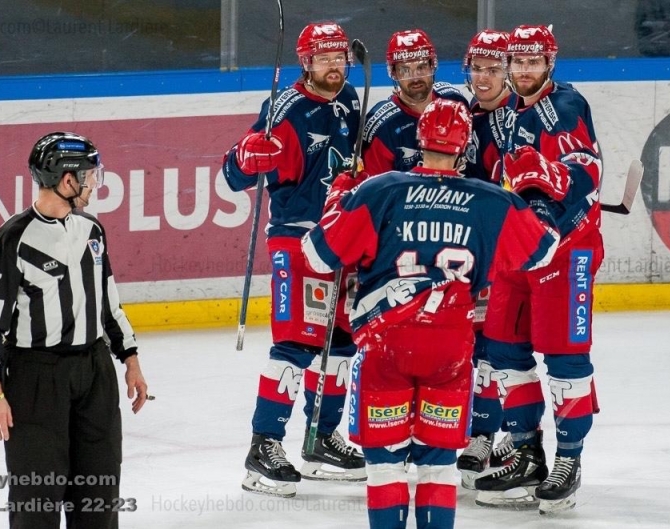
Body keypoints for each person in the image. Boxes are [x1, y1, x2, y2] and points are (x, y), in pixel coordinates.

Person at [301, 98, 560, 529]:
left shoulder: (380, 189)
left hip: (387, 346)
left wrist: (337, 198)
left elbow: (318, 255)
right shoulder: (491, 201)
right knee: (438, 466)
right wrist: (533, 194)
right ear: (465, 146)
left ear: (420, 139)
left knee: (384, 466)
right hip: (450, 351)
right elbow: (544, 250)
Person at [0, 132, 150, 529]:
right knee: (37, 501)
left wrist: (130, 360)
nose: (94, 183)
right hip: (37, 379)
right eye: (88, 175)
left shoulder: (93, 231)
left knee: (99, 498)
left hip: (95, 374)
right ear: (67, 180)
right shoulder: (14, 238)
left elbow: (109, 304)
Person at [221, 21, 366, 498]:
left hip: (341, 241)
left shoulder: (349, 101)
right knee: (296, 347)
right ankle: (263, 446)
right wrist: (247, 158)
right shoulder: (283, 107)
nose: (333, 66)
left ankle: (321, 438)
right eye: (323, 58)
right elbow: (231, 177)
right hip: (297, 241)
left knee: (341, 343)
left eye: (339, 56)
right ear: (305, 62)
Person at [472, 25, 604, 514]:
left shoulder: (564, 106)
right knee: (504, 348)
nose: (525, 71)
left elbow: (587, 174)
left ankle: (568, 458)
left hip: (565, 253)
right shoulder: (509, 110)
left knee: (566, 359)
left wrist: (549, 177)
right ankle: (526, 450)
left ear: (550, 62)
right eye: (518, 63)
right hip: (517, 251)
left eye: (534, 62)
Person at [456, 29, 519, 487]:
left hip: (514, 250)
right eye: (477, 68)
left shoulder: (526, 116)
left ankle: (511, 434)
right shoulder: (462, 114)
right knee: (477, 343)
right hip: (474, 249)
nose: (484, 76)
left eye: (493, 68)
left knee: (507, 345)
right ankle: (480, 432)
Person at [362, 29, 469, 175]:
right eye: (405, 70)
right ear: (394, 73)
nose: (415, 78)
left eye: (421, 67)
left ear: (432, 66)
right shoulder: (382, 126)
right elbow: (376, 192)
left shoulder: (455, 102)